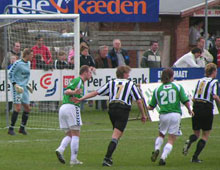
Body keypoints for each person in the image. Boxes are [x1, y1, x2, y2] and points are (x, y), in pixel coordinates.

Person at [73, 65, 147, 166]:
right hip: (123, 109)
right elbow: (139, 101)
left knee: (118, 134)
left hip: (112, 109)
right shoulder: (130, 84)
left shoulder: (111, 82)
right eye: (128, 73)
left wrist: (82, 98)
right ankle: (106, 158)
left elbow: (96, 92)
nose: (129, 75)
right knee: (116, 136)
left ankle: (110, 157)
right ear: (124, 74)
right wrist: (143, 115)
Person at [148, 68, 193, 166]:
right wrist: (190, 110)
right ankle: (163, 157)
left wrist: (145, 110)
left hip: (163, 115)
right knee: (171, 138)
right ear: (172, 76)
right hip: (175, 115)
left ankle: (156, 149)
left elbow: (151, 107)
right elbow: (185, 100)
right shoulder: (177, 87)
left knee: (161, 134)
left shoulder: (157, 89)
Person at [182, 63, 220, 163]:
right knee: (205, 135)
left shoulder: (200, 81)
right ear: (214, 71)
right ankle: (195, 157)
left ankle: (190, 140)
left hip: (196, 106)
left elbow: (194, 97)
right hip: (206, 107)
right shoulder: (214, 82)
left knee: (196, 133)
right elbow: (215, 96)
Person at [55, 65, 92, 166]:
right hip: (72, 107)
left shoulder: (80, 82)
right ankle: (73, 159)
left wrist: (74, 93)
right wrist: (74, 92)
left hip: (63, 108)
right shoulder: (78, 80)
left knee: (69, 135)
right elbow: (66, 91)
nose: (91, 74)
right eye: (89, 72)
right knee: (76, 134)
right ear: (84, 72)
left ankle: (60, 149)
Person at [8, 48, 33, 135]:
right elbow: (10, 74)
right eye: (31, 55)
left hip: (24, 89)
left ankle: (22, 128)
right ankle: (11, 129)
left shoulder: (29, 63)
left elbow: (25, 76)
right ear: (27, 55)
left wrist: (28, 85)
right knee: (18, 108)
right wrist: (15, 84)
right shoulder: (17, 63)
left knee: (27, 108)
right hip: (17, 89)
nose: (32, 56)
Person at [94, 45, 112, 110]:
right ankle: (97, 107)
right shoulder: (96, 59)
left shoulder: (108, 59)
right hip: (99, 78)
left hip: (107, 78)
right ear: (101, 51)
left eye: (107, 51)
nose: (106, 52)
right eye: (104, 51)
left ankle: (104, 107)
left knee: (106, 91)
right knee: (98, 91)